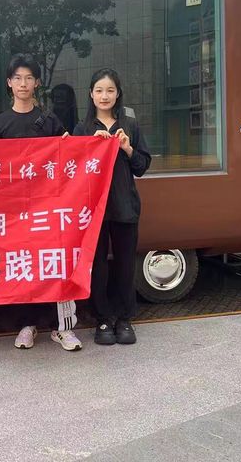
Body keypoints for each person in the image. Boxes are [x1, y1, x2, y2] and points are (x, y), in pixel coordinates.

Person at [0, 54, 81, 351]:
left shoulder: (51, 121)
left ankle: (61, 327)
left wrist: (76, 146)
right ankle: (27, 325)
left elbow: (68, 158)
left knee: (54, 263)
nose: (23, 83)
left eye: (29, 78)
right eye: (18, 78)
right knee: (22, 265)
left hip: (48, 207)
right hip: (14, 210)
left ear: (37, 83)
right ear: (9, 83)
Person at [73, 69, 151, 345]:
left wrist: (127, 149)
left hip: (124, 206)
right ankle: (103, 319)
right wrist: (90, 147)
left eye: (109, 90)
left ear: (118, 94)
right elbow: (73, 171)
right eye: (99, 90)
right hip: (93, 210)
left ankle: (124, 319)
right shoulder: (82, 129)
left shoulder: (130, 125)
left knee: (125, 266)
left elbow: (142, 166)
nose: (104, 96)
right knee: (98, 267)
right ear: (91, 94)